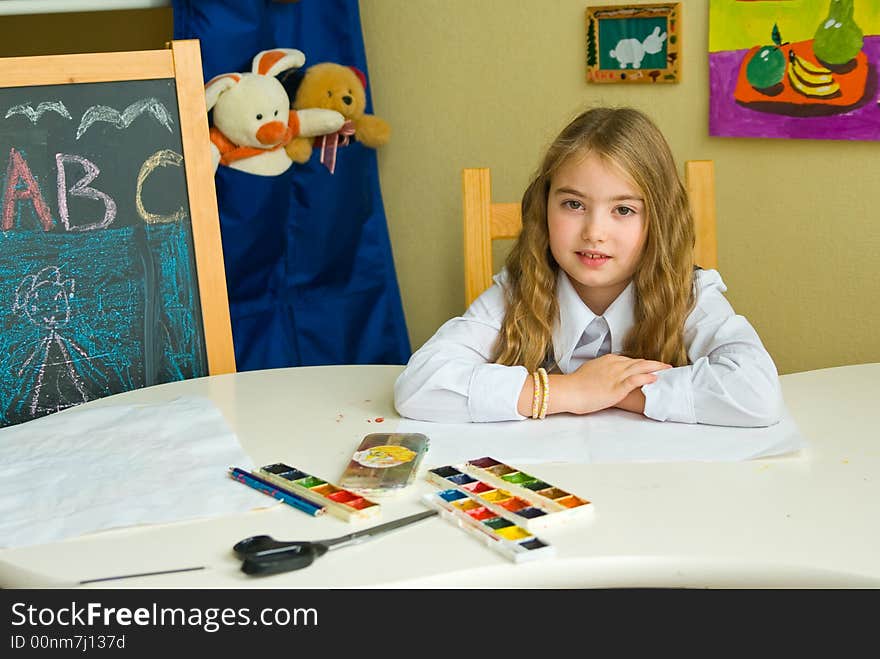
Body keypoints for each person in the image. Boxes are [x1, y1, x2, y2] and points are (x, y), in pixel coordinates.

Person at [394, 107, 783, 427]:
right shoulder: (518, 291)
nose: (595, 232)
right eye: (574, 205)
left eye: (624, 210)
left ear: (658, 221)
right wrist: (571, 392)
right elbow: (420, 385)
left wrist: (617, 389)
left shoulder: (689, 294)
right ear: (544, 206)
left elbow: (757, 394)